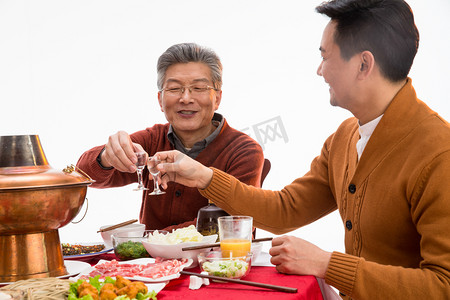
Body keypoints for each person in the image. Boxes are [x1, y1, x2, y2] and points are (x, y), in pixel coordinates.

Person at [152, 1, 450, 299]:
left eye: (325, 56)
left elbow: (443, 285)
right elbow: (285, 210)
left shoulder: (439, 153)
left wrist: (328, 264)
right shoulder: (345, 138)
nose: (319, 70)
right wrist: (205, 177)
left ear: (363, 65)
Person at [76, 43, 264, 232]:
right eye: (175, 89)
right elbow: (82, 176)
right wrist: (106, 157)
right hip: (150, 261)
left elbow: (233, 223)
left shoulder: (244, 151)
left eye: (198, 88)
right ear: (160, 100)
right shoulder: (152, 140)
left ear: (217, 98)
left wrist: (151, 240)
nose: (186, 98)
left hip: (218, 261)